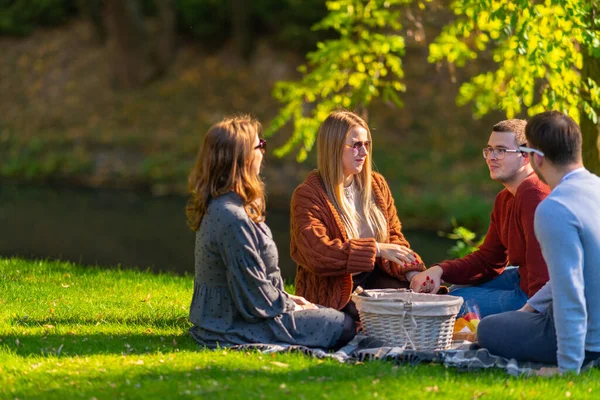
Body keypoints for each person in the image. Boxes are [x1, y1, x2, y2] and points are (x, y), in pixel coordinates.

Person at [186, 115, 355, 349]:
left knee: (334, 315)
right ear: (243, 157)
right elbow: (254, 296)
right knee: (343, 324)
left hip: (227, 318)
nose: (264, 151)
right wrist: (291, 306)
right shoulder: (232, 218)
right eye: (260, 145)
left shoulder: (225, 204)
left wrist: (290, 299)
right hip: (232, 325)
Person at [478, 111, 600, 374]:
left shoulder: (555, 207)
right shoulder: (596, 188)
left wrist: (568, 368)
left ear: (536, 157)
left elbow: (570, 294)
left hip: (588, 342)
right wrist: (531, 307)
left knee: (487, 329)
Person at [290, 110, 426, 320]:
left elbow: (394, 239)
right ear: (333, 147)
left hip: (374, 280)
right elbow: (318, 255)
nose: (363, 152)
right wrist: (377, 249)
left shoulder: (376, 185)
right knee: (383, 316)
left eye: (366, 144)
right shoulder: (308, 195)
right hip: (335, 290)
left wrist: (412, 272)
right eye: (355, 145)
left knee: (419, 302)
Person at [410, 119, 551, 318]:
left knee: (451, 305)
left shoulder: (534, 194)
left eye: (501, 150)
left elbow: (546, 274)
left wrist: (530, 319)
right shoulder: (505, 198)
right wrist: (440, 270)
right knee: (457, 289)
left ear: (526, 156)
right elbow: (489, 260)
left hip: (540, 297)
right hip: (523, 279)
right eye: (489, 150)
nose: (492, 157)